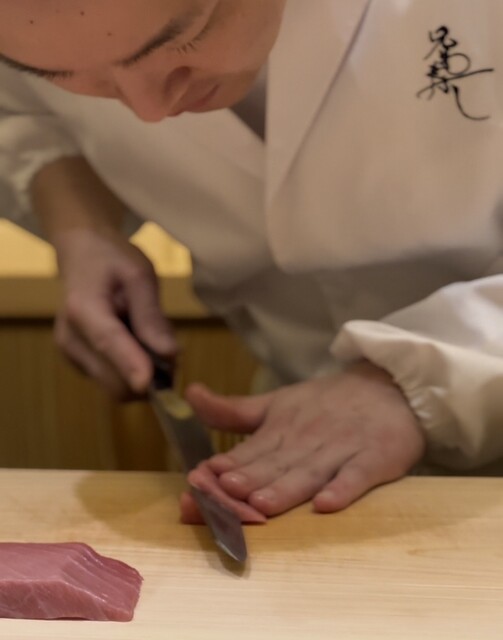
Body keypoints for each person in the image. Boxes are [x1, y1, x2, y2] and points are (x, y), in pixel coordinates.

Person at [0, 0, 502, 524]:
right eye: (59, 75)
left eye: (186, 37)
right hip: (295, 442)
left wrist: (412, 380)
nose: (149, 110)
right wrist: (82, 230)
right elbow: (19, 110)